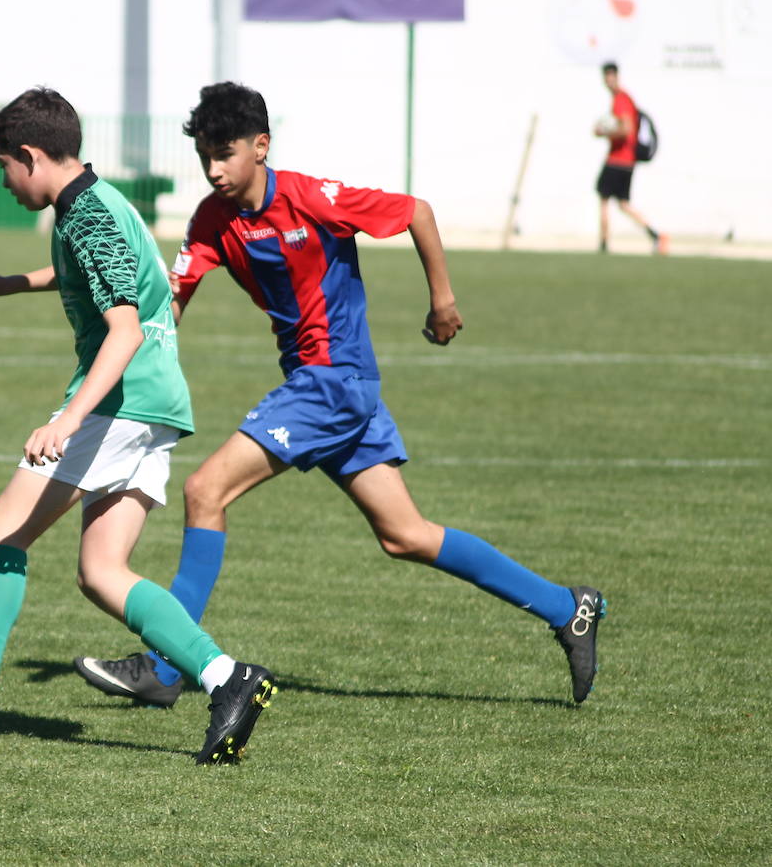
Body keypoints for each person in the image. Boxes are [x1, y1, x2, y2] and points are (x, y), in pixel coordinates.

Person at [74, 81, 606, 709]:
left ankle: (167, 667)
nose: (214, 169)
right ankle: (567, 608)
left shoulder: (311, 198)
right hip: (330, 387)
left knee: (204, 491)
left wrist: (443, 300)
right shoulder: (213, 220)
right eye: (204, 156)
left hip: (331, 382)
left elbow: (417, 212)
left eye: (226, 152)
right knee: (404, 534)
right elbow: (172, 299)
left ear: (261, 146)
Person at [0, 87, 275, 765]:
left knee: (3, 529)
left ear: (30, 155)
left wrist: (69, 416)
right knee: (101, 570)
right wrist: (5, 283)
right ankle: (228, 679)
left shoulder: (86, 217)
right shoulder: (93, 203)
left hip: (123, 400)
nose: (3, 179)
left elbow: (121, 329)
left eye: (4, 165)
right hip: (157, 406)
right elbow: (101, 281)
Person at [595, 61, 667, 255]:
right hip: (627, 161)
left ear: (616, 77)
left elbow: (626, 129)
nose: (609, 80)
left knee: (603, 199)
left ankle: (603, 244)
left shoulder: (621, 99)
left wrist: (604, 131)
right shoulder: (624, 99)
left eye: (612, 76)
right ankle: (655, 235)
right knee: (623, 204)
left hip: (617, 159)